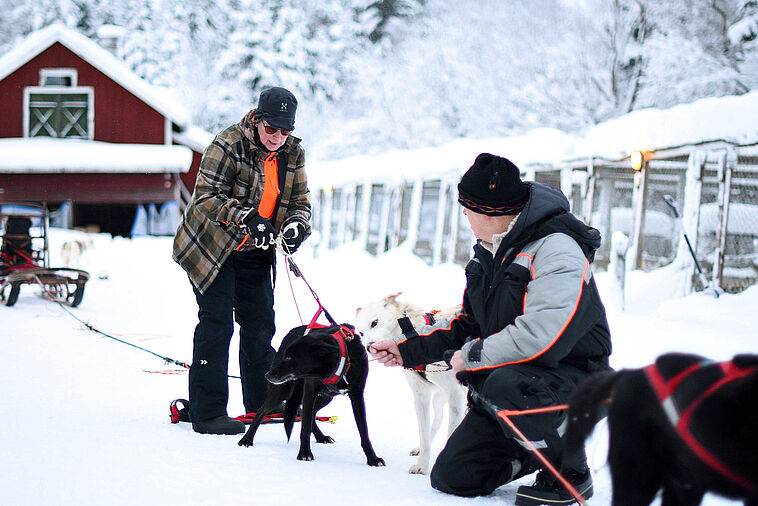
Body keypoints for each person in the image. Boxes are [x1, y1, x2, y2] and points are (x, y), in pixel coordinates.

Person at [369, 153, 611, 505]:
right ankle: (533, 450)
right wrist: (406, 349)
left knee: (506, 384)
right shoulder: (490, 252)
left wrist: (470, 357)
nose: (464, 216)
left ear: (490, 211)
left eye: (467, 208)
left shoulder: (557, 251)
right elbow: (468, 323)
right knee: (454, 476)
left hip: (569, 379)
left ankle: (569, 470)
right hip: (512, 386)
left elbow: (542, 335)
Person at [172, 87, 311, 435]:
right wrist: (246, 216)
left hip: (256, 248)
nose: (278, 137)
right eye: (272, 129)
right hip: (213, 246)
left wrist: (297, 224)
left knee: (260, 324)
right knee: (217, 323)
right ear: (258, 119)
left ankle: (263, 402)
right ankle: (207, 412)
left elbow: (300, 201)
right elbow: (205, 197)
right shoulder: (227, 144)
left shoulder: (293, 153)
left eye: (285, 130)